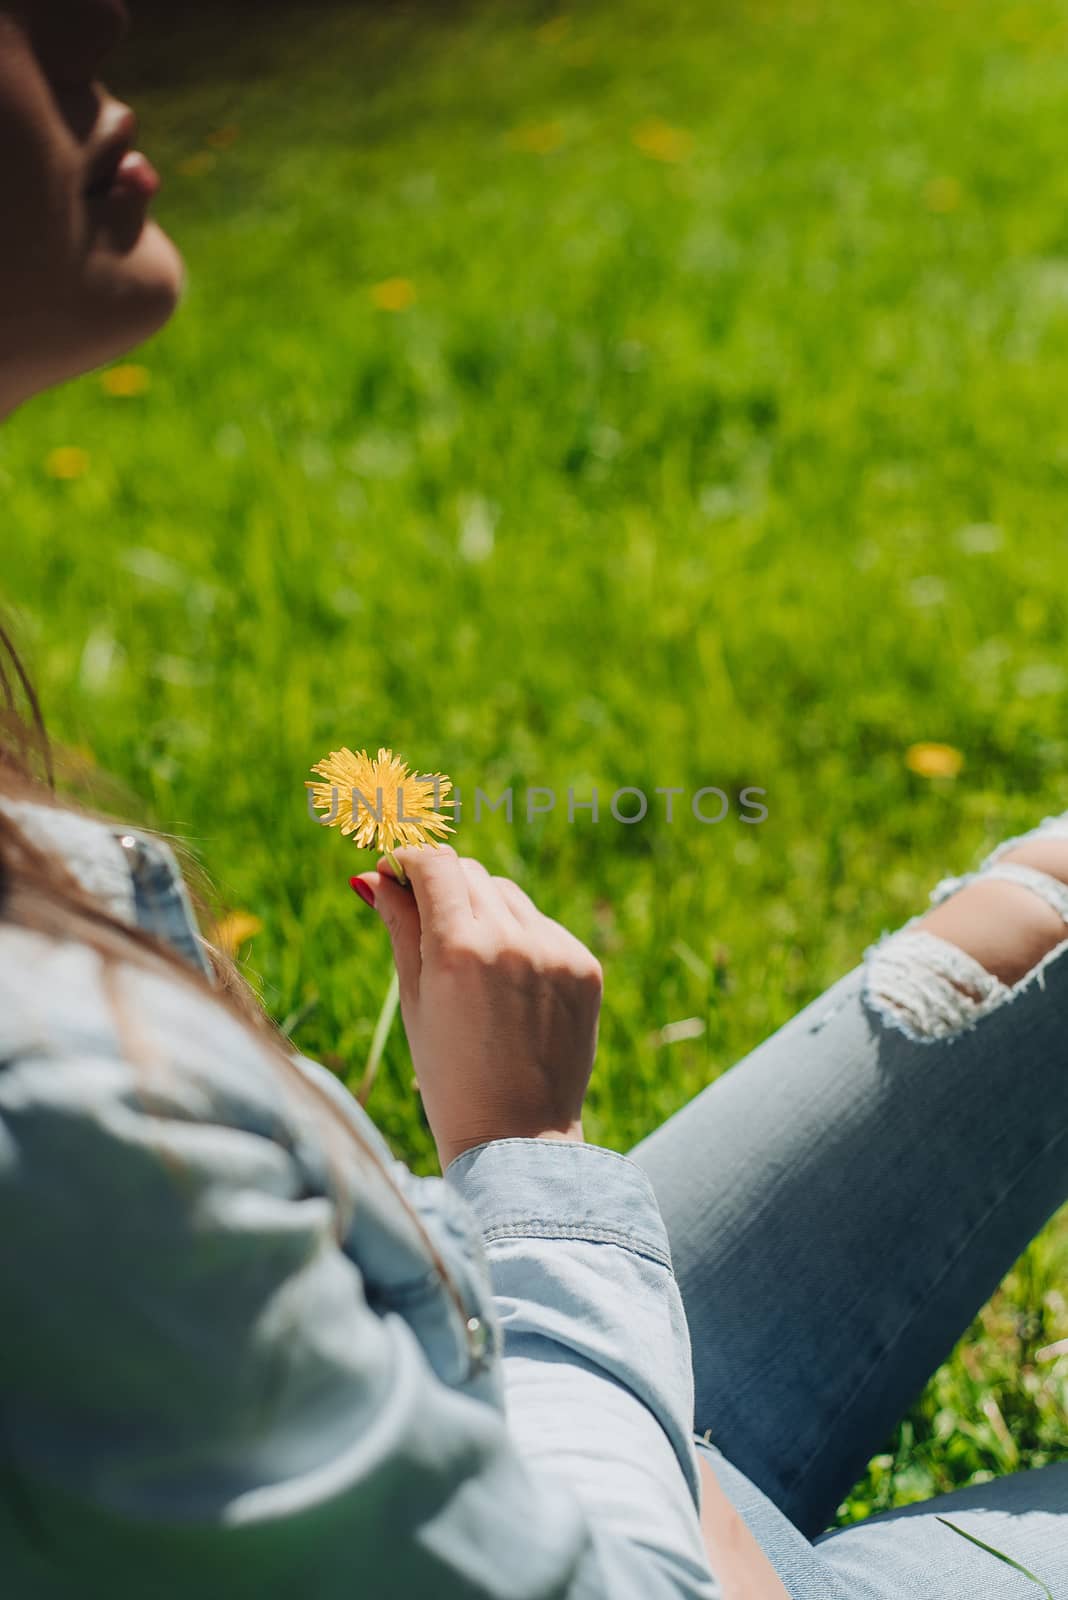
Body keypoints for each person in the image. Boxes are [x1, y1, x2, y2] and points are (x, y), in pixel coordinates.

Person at [2, 4, 1066, 1596]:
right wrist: (527, 1152)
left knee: (1041, 916)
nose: (93, 22)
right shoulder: (51, 1106)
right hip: (644, 1547)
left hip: (537, 1393)